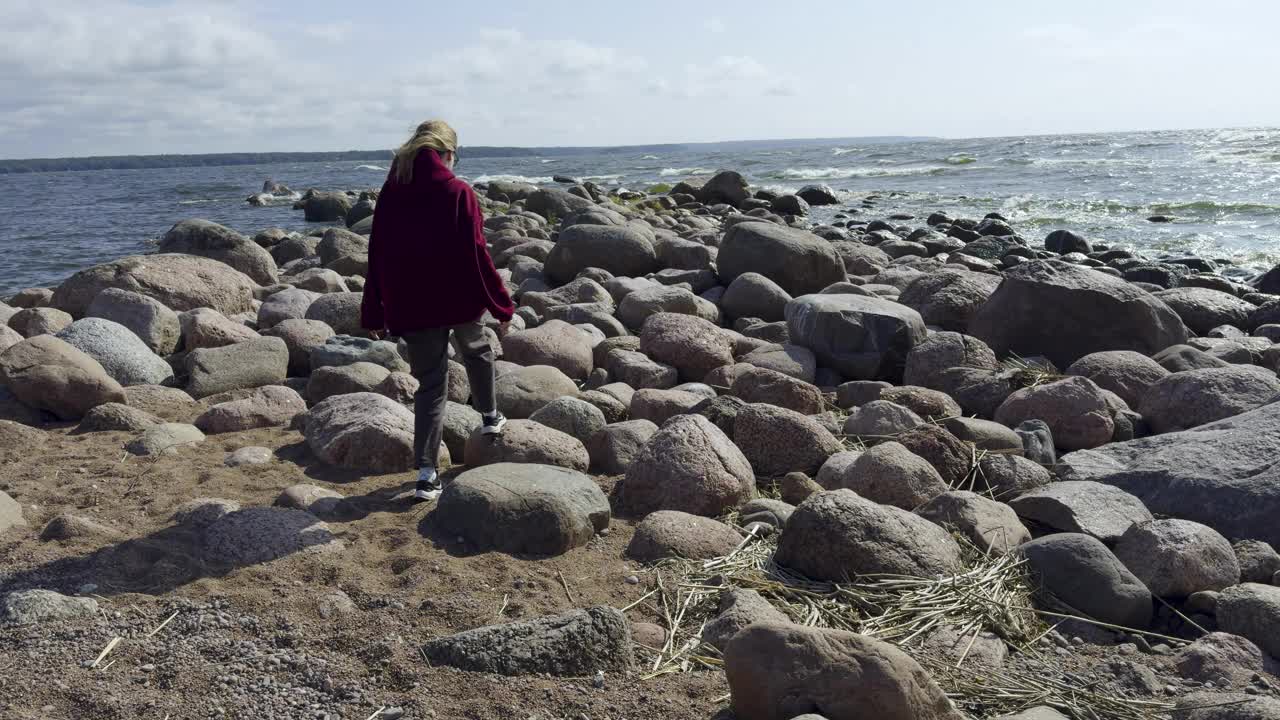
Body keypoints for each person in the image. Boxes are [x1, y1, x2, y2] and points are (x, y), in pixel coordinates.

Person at [361, 120, 515, 501]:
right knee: (478, 351)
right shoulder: (458, 191)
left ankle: (427, 475)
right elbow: (477, 253)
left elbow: (377, 251)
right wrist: (501, 303)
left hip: (412, 304)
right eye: (454, 156)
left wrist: (373, 312)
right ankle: (490, 417)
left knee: (431, 386)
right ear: (447, 154)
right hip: (459, 297)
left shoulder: (392, 193)